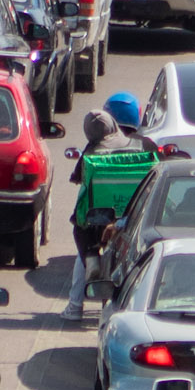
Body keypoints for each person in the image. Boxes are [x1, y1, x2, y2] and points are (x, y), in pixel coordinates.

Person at [63, 94, 153, 323]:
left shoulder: (92, 150)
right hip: (137, 215)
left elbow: (78, 178)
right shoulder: (145, 145)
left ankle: (75, 305)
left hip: (100, 218)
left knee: (82, 232)